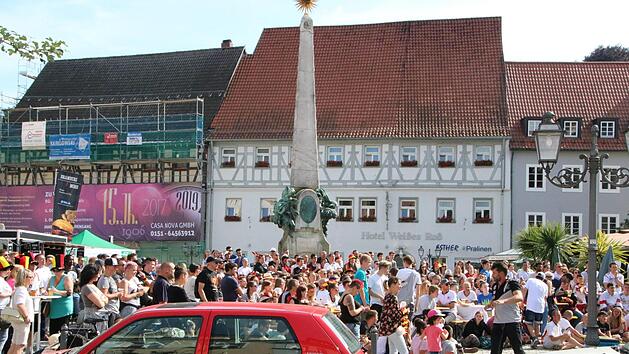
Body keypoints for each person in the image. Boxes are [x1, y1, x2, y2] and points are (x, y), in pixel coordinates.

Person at [488, 262, 524, 354]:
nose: (493, 275)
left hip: (512, 321)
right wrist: (490, 304)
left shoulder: (512, 283)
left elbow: (519, 297)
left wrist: (503, 301)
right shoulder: (495, 286)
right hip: (498, 321)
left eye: (494, 273)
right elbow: (496, 299)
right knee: (495, 350)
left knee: (517, 349)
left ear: (501, 273)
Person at [376, 277, 407, 354]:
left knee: (393, 351)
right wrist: (403, 310)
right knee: (404, 351)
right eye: (398, 284)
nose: (400, 286)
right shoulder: (393, 297)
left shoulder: (387, 296)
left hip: (388, 329)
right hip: (393, 329)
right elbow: (394, 314)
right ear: (393, 285)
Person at [8, 267, 34, 354]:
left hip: (19, 320)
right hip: (22, 320)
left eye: (32, 277)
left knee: (15, 345)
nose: (31, 279)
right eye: (29, 277)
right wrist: (26, 317)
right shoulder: (22, 290)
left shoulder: (20, 289)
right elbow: (20, 304)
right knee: (20, 345)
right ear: (23, 278)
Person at [78, 264, 109, 333]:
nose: (99, 275)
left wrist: (103, 299)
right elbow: (100, 304)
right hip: (93, 318)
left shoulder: (92, 286)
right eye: (97, 273)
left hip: (99, 317)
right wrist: (103, 299)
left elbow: (106, 299)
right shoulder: (86, 287)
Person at [47, 262, 74, 335]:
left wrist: (57, 291)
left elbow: (69, 292)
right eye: (54, 270)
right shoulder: (51, 278)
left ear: (62, 270)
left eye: (57, 270)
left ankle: (62, 346)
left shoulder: (66, 278)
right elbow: (48, 289)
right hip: (54, 308)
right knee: (53, 332)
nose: (55, 272)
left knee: (63, 332)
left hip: (64, 308)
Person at [523, 272, 546, 348]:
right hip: (541, 306)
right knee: (537, 324)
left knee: (528, 323)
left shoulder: (530, 280)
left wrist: (522, 301)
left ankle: (534, 338)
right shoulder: (545, 285)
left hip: (531, 305)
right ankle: (535, 341)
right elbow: (545, 297)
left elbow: (525, 290)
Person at [98, 258, 122, 327]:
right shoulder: (104, 279)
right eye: (114, 267)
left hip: (114, 310)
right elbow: (104, 296)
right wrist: (117, 294)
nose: (116, 269)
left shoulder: (110, 278)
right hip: (109, 311)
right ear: (108, 267)